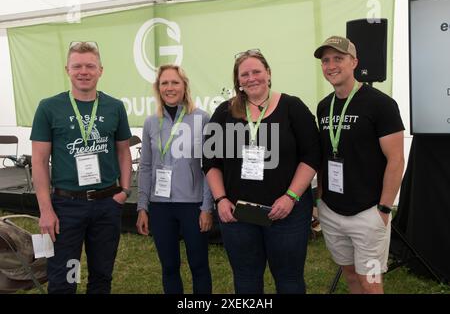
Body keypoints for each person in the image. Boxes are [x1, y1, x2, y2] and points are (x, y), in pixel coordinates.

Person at [202, 49, 321, 294]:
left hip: (286, 214)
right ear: (238, 81)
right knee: (246, 280)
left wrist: (291, 197)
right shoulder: (224, 113)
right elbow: (210, 161)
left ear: (268, 73)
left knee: (289, 280)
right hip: (238, 215)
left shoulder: (292, 107)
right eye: (244, 74)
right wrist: (221, 200)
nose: (251, 77)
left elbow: (312, 156)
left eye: (256, 71)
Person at [30, 41, 132, 294]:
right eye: (77, 66)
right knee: (64, 278)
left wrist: (124, 191)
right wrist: (46, 210)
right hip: (66, 207)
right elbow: (39, 162)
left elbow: (123, 152)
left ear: (101, 70)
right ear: (67, 69)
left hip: (107, 204)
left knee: (101, 275)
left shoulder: (115, 107)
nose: (83, 71)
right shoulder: (49, 107)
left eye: (90, 66)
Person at [313, 36, 405, 294]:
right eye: (325, 60)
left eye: (338, 59)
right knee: (351, 276)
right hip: (332, 210)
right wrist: (320, 201)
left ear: (354, 62)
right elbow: (323, 158)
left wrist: (384, 210)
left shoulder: (381, 104)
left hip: (369, 213)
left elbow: (396, 160)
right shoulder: (324, 107)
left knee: (371, 282)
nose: (331, 65)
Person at [136, 64, 213, 294]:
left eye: (175, 82)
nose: (169, 88)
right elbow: (146, 166)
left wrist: (207, 207)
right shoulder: (151, 122)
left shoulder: (202, 119)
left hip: (193, 205)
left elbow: (209, 167)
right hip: (160, 206)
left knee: (199, 265)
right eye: (164, 83)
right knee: (169, 266)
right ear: (158, 88)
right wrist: (142, 206)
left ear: (185, 86)